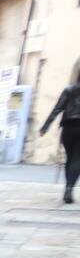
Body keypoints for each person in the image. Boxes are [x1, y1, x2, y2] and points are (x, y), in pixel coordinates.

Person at [39, 73, 80, 203]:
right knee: (77, 159)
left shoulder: (68, 90)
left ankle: (67, 188)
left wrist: (45, 127)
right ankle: (69, 188)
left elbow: (57, 109)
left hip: (68, 128)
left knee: (70, 158)